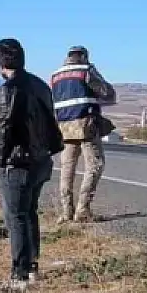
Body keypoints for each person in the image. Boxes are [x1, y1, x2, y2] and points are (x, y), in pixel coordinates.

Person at [0, 38, 63, 288]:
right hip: (41, 159)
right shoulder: (40, 85)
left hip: (19, 162)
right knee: (30, 213)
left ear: (0, 62)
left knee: (16, 217)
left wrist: (3, 161)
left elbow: (5, 128)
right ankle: (32, 267)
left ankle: (19, 274)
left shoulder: (8, 89)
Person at [50, 46, 117, 224]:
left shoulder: (55, 75)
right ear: (84, 56)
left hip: (64, 127)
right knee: (95, 165)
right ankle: (83, 209)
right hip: (86, 124)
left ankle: (65, 212)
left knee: (67, 169)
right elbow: (107, 92)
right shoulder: (86, 70)